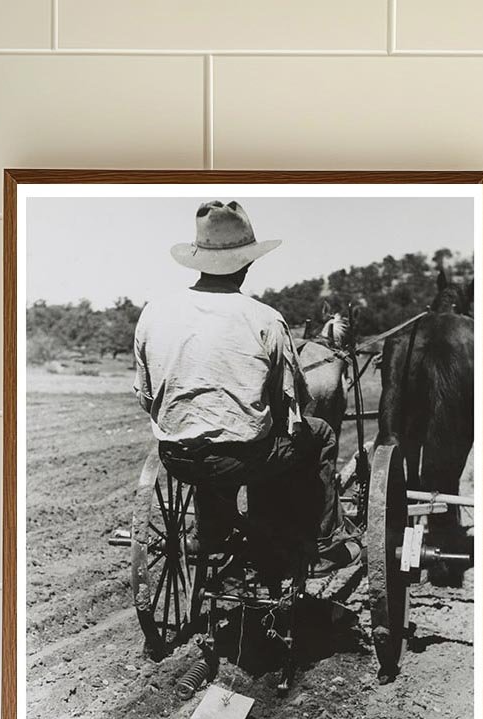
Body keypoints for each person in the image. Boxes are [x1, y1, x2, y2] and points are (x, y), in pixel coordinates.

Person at [133, 200, 358, 576]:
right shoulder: (266, 320)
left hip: (177, 456)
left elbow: (146, 397)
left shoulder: (153, 313)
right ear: (247, 263)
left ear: (198, 259)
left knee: (211, 443)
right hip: (244, 458)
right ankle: (321, 541)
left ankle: (212, 533)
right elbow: (292, 407)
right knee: (320, 434)